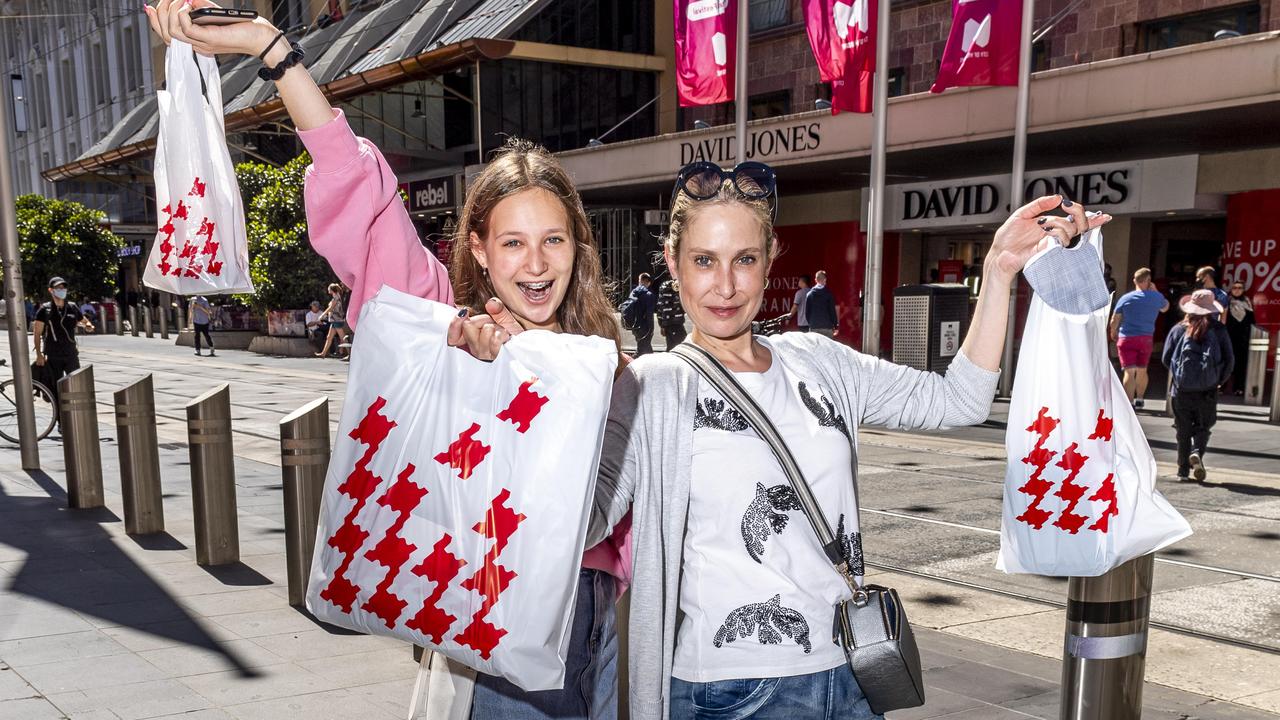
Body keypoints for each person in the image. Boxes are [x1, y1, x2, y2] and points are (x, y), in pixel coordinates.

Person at [143, 7, 629, 719]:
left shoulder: (607, 361)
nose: (535, 263)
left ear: (578, 248)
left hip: (605, 627)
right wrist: (274, 52)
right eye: (514, 243)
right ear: (480, 249)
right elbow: (356, 187)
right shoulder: (441, 326)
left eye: (553, 241)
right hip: (499, 621)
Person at [586, 157, 1110, 719]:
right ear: (672, 262)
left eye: (745, 259)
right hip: (733, 690)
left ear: (769, 261)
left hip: (851, 673)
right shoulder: (652, 386)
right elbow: (580, 522)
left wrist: (1001, 271)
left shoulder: (817, 360)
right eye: (703, 261)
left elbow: (959, 399)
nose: (726, 285)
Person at [1161, 289, 1233, 482]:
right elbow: (1229, 360)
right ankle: (1197, 453)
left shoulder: (1179, 328)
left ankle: (1183, 471)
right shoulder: (1218, 330)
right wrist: (1218, 380)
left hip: (1181, 390)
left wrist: (1179, 375)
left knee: (1182, 430)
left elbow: (1166, 358)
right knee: (1203, 427)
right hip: (1207, 390)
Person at [1109, 268, 1169, 409]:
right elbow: (1165, 308)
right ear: (1148, 281)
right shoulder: (1156, 297)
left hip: (1126, 338)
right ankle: (1140, 399)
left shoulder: (1125, 298)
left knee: (1129, 372)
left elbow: (1114, 319)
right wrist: (1155, 292)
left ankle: (1129, 404)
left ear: (1134, 281)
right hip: (1145, 338)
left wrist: (1113, 331)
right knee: (1142, 370)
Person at [32, 277, 94, 407]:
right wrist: (39, 354)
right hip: (53, 356)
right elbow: (37, 333)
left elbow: (84, 321)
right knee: (57, 389)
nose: (62, 290)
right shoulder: (45, 310)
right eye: (58, 288)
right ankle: (61, 421)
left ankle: (75, 416)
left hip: (71, 354)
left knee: (76, 385)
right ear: (51, 290)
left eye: (63, 288)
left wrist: (89, 325)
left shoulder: (72, 307)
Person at [1225, 280, 1255, 396]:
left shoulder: (1247, 302)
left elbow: (1252, 320)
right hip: (1228, 336)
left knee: (1241, 364)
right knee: (1226, 361)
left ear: (1243, 290)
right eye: (1234, 288)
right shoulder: (1226, 302)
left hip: (1243, 338)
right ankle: (1221, 386)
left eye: (1239, 288)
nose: (1237, 290)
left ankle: (1239, 387)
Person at [624, 273, 658, 356]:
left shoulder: (633, 293)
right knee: (644, 350)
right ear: (648, 282)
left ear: (640, 281)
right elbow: (649, 314)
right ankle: (632, 364)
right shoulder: (649, 295)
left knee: (642, 347)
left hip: (635, 326)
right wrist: (651, 329)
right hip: (645, 327)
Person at [315, 283, 350, 358]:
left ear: (331, 290)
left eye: (329, 289)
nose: (328, 290)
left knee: (342, 338)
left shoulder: (336, 298)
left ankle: (350, 354)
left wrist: (322, 315)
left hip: (337, 320)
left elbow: (331, 308)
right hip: (334, 320)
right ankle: (323, 353)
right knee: (329, 337)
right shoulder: (336, 297)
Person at [804, 270, 838, 337]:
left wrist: (811, 323)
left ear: (815, 280)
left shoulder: (809, 295)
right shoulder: (828, 294)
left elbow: (807, 313)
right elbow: (832, 311)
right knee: (827, 347)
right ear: (825, 280)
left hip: (814, 327)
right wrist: (835, 325)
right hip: (827, 327)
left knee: (814, 347)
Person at [656, 277, 687, 348]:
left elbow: (659, 310)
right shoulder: (677, 291)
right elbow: (684, 307)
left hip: (667, 324)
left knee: (671, 346)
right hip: (676, 323)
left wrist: (662, 325)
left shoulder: (663, 292)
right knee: (681, 346)